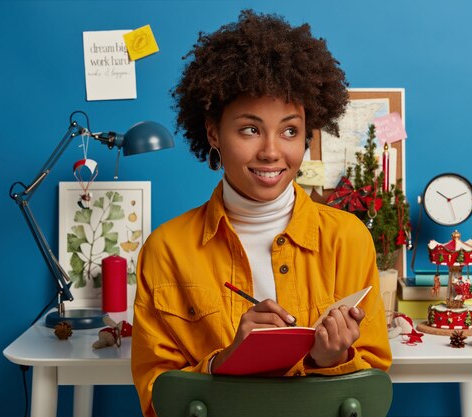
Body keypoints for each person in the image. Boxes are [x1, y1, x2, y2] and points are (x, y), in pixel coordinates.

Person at [131, 10, 391, 416]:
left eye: (290, 130)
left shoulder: (348, 239)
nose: (272, 151)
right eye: (250, 129)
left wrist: (332, 359)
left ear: (308, 134)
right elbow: (155, 394)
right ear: (214, 133)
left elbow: (373, 385)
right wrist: (226, 361)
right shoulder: (166, 250)